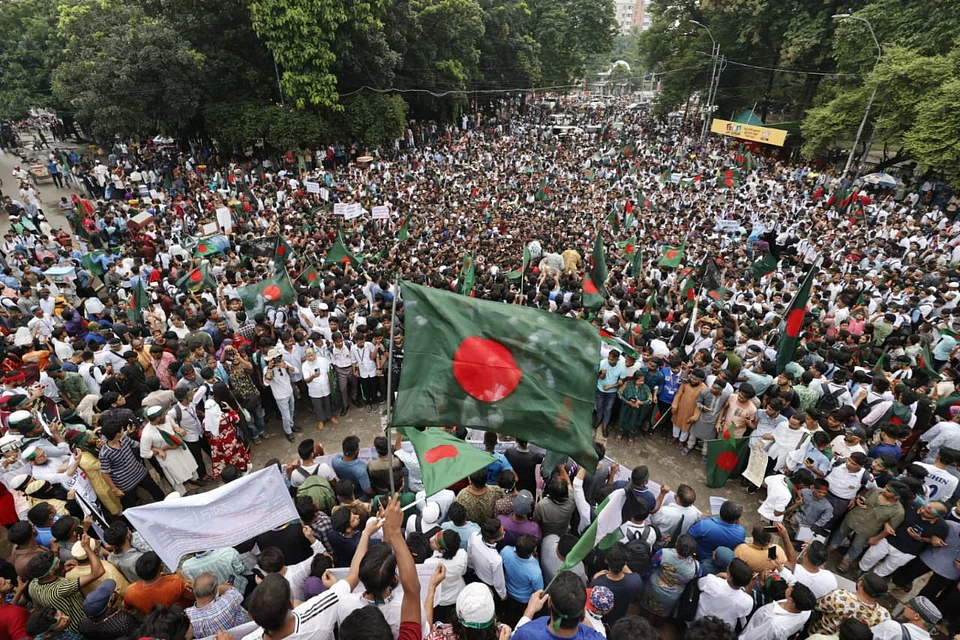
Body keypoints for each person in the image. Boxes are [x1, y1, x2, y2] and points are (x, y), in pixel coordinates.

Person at [512, 572, 605, 639]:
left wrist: (529, 611)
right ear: (583, 611)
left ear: (549, 602)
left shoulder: (526, 634)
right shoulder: (595, 637)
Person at [808, 572, 890, 636]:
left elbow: (817, 606)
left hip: (817, 635)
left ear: (860, 583)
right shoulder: (884, 616)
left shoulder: (840, 596)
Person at [140, 405, 198, 494]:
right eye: (163, 415)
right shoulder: (147, 434)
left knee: (189, 465)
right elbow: (144, 453)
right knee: (176, 476)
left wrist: (177, 429)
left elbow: (174, 426)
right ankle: (183, 494)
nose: (165, 416)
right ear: (158, 418)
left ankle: (195, 479)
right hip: (168, 458)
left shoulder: (167, 418)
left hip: (180, 450)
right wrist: (162, 449)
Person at [203, 382, 252, 478]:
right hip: (230, 441)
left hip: (217, 445)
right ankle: (242, 471)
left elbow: (207, 433)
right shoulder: (224, 417)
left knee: (224, 460)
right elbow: (236, 418)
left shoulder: (205, 422)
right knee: (237, 456)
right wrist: (230, 409)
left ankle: (229, 476)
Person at [737, 583, 816, 640]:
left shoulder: (774, 624)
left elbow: (755, 637)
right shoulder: (805, 609)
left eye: (790, 588)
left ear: (791, 600)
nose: (789, 586)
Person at [693, 557, 754, 631]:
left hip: (699, 621)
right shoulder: (747, 602)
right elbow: (744, 611)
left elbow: (699, 584)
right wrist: (750, 586)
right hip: (723, 631)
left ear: (730, 577)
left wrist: (718, 576)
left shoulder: (711, 581)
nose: (727, 567)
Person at [185, 571, 251, 637]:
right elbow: (232, 589)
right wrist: (219, 587)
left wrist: (199, 588)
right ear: (215, 590)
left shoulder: (187, 615)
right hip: (247, 633)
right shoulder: (226, 603)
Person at [499, 534, 543, 627]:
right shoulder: (535, 571)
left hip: (508, 592)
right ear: (533, 551)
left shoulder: (505, 551)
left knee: (509, 617)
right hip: (524, 600)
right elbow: (539, 590)